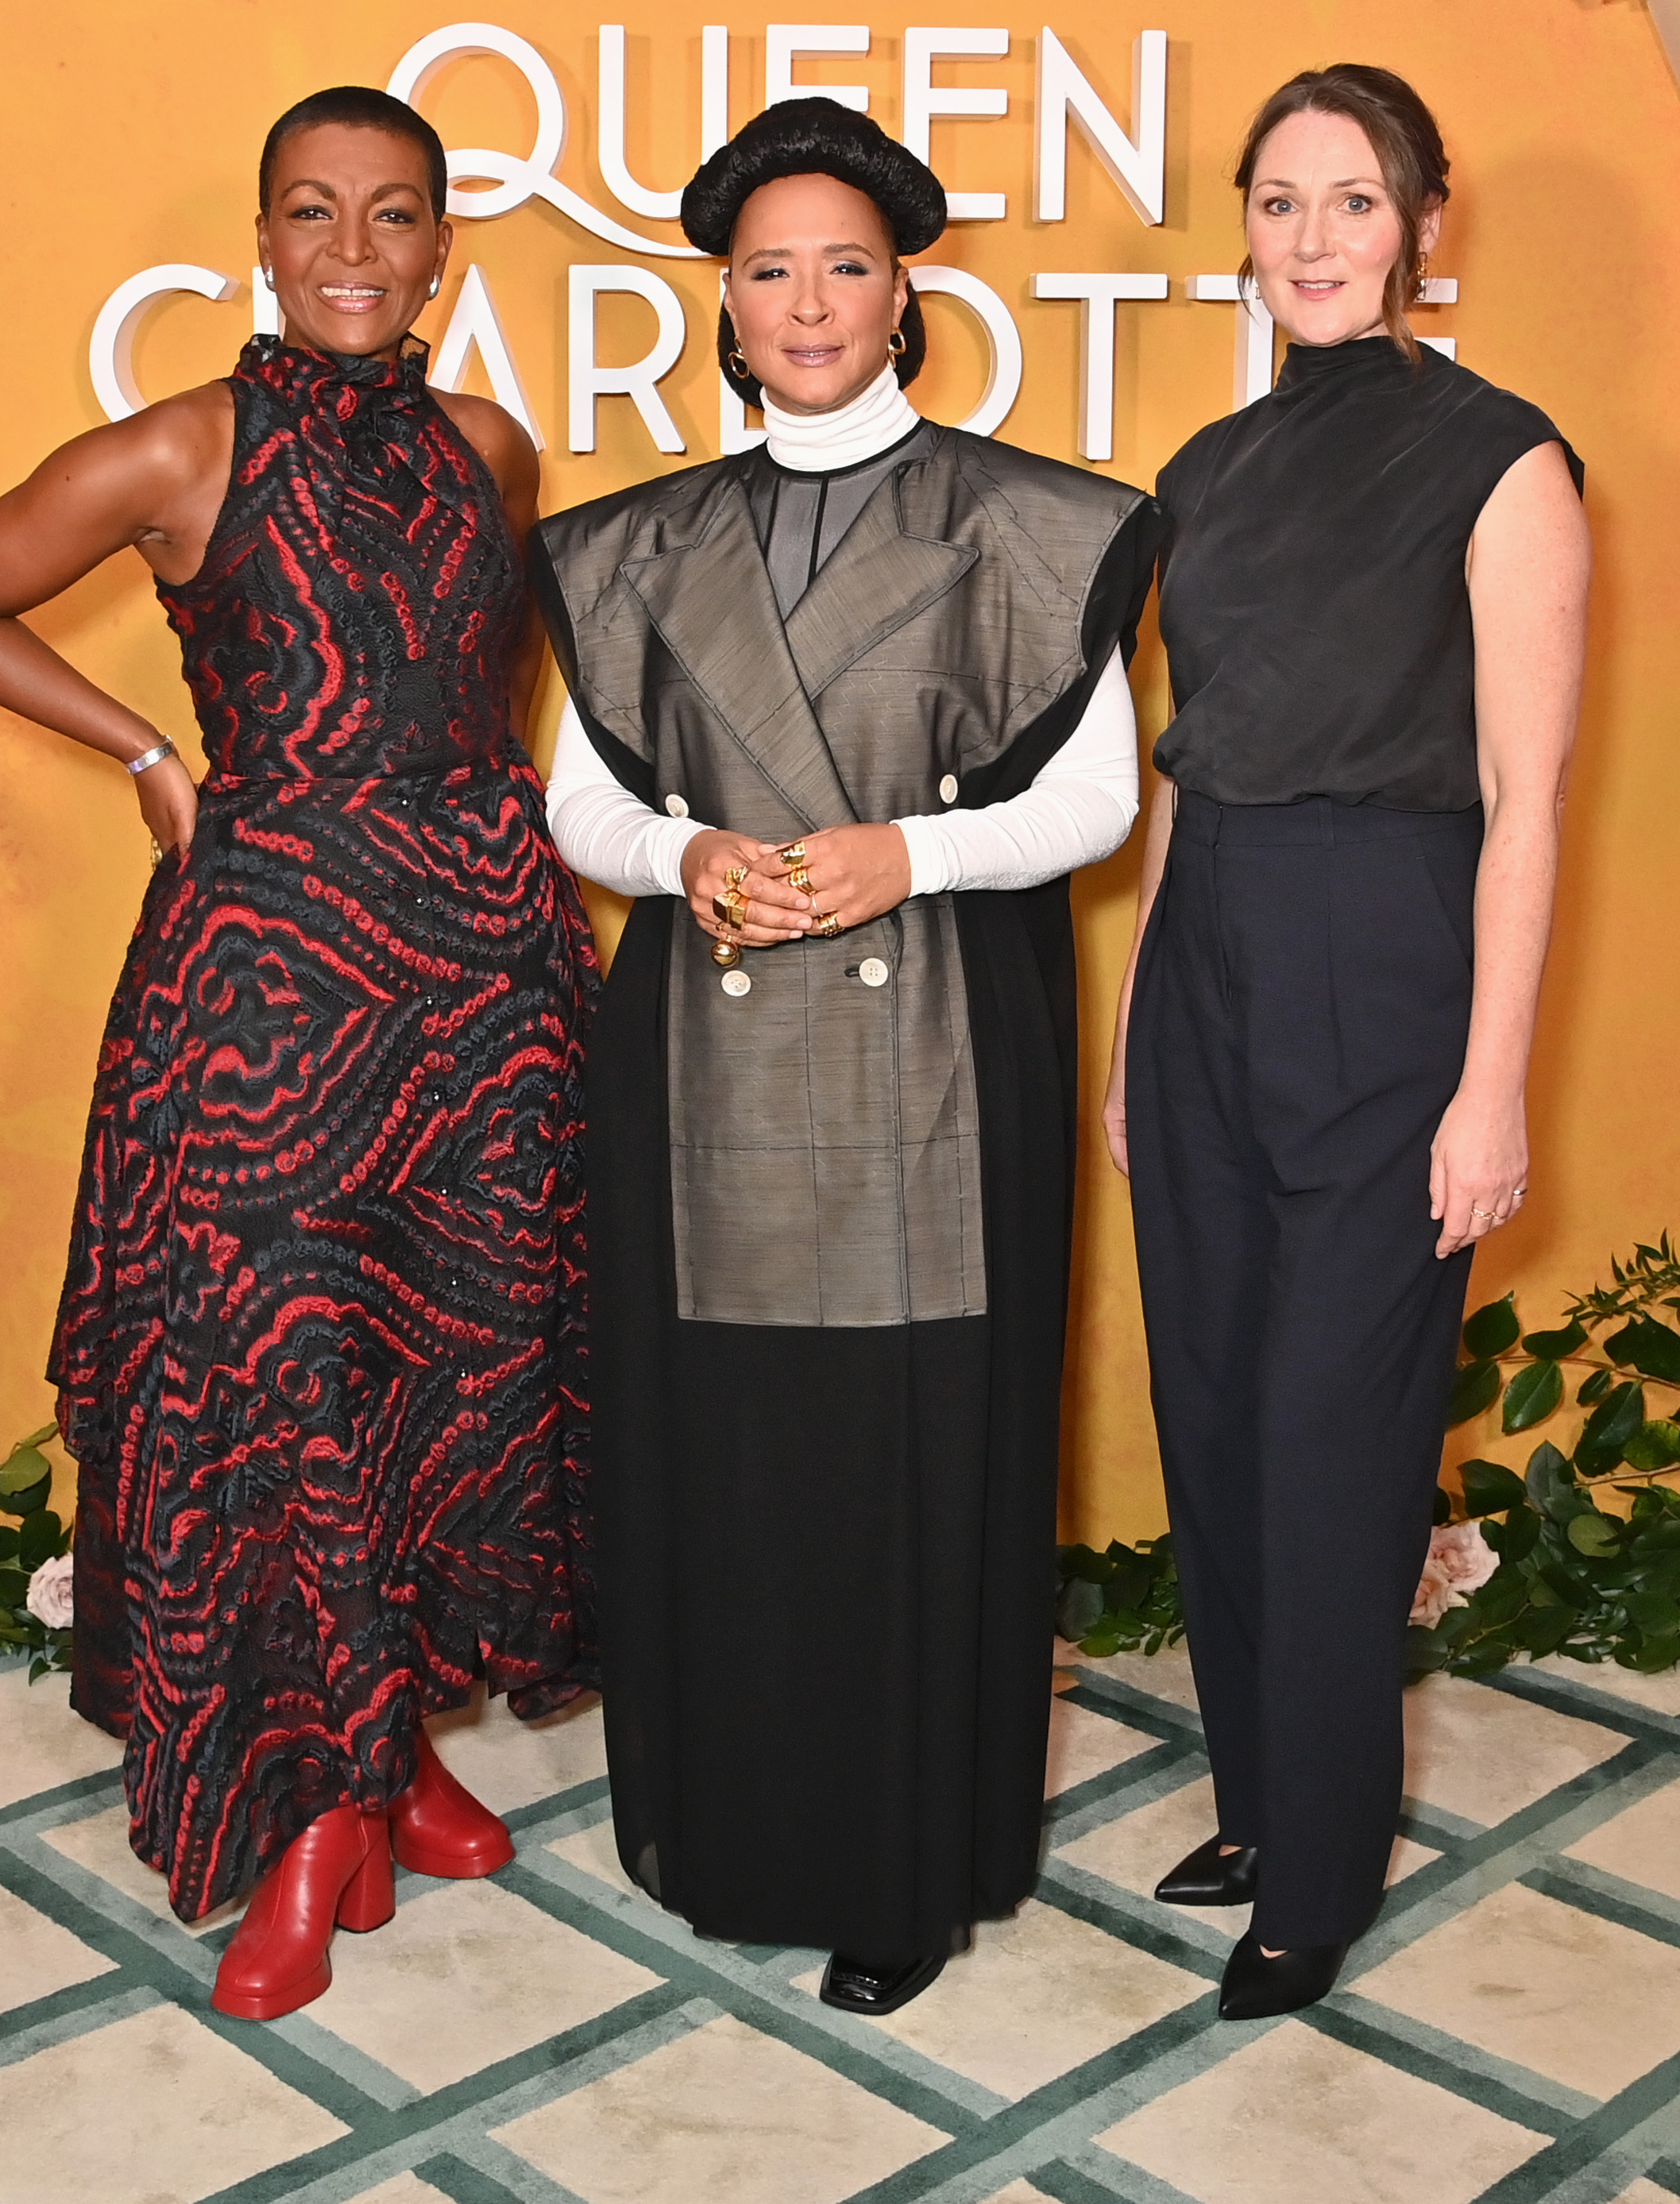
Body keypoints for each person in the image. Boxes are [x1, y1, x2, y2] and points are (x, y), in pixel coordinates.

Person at [0, 87, 596, 2024]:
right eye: (315, 213)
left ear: (443, 247)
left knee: (455, 1366)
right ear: (264, 241)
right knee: (283, 1375)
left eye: (392, 217)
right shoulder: (177, 446)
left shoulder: (491, 449)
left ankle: (401, 1749)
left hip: (480, 977)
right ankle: (308, 1815)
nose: (354, 251)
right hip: (270, 982)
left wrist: (516, 861)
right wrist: (146, 756)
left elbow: (490, 684)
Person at [532, 96, 1164, 2017]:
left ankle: (902, 1863)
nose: (806, 301)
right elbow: (580, 802)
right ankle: (736, 1827)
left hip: (941, 1053)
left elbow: (1097, 804)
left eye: (846, 266)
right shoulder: (635, 543)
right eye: (768, 269)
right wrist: (686, 853)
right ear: (721, 302)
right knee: (721, 1451)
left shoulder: (1034, 519)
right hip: (703, 1059)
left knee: (913, 1456)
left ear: (905, 293)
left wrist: (908, 854)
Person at [1106, 64, 1590, 2021]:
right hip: (1210, 944)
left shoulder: (1505, 458)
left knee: (1330, 1438)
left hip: (1391, 963)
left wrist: (1491, 1083)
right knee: (1214, 1415)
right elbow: (1175, 777)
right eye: (1281, 201)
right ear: (1247, 225)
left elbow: (1526, 795)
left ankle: (1316, 1867)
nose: (1313, 238)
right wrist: (1137, 1036)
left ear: (1420, 227)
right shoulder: (1205, 472)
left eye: (1354, 201)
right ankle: (1259, 1791)